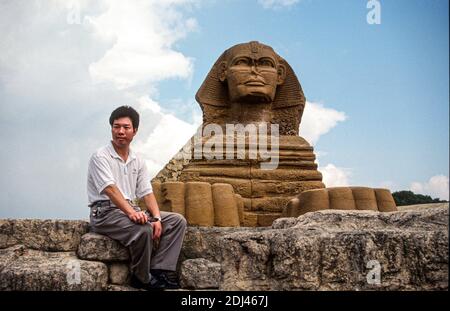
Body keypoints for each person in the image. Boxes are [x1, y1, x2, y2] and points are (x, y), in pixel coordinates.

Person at [87, 106, 187, 290]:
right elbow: (110, 189)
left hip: (128, 209)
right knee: (143, 230)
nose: (120, 131)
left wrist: (156, 218)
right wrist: (132, 212)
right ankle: (141, 277)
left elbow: (146, 193)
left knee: (176, 221)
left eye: (126, 127)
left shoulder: (137, 160)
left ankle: (159, 270)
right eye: (116, 127)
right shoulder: (100, 156)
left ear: (135, 131)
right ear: (111, 129)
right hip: (105, 213)